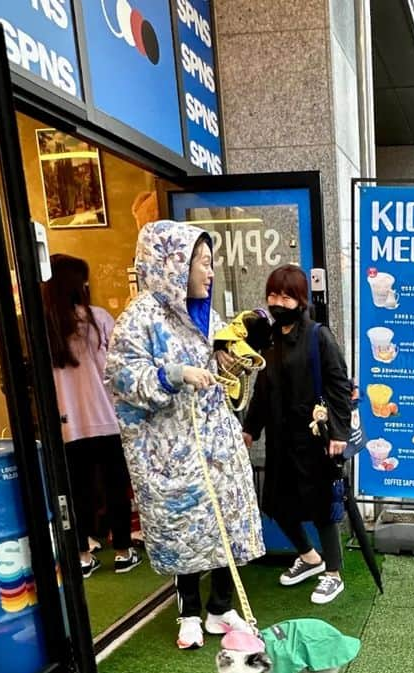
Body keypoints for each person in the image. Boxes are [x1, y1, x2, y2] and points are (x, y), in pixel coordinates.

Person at [106, 222, 264, 650]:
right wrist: (173, 375)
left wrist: (231, 365)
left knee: (225, 523)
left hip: (217, 443)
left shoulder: (206, 315)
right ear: (172, 264)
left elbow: (217, 363)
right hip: (172, 450)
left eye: (211, 264)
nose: (209, 273)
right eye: (202, 264)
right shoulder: (140, 318)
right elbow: (121, 377)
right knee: (184, 526)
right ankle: (189, 611)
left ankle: (221, 607)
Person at [245, 265, 352, 605]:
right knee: (275, 503)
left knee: (321, 507)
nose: (278, 302)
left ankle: (333, 573)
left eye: (286, 296)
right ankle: (308, 557)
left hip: (315, 438)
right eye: (273, 295)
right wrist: (250, 428)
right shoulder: (267, 338)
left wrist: (338, 432)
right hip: (280, 438)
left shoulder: (318, 335)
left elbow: (339, 386)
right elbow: (261, 389)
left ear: (301, 299)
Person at [42, 254, 139, 579]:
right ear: (78, 284)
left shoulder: (46, 329)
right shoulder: (100, 320)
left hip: (68, 427)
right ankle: (124, 551)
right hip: (109, 420)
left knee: (78, 492)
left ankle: (83, 554)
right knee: (116, 488)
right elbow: (120, 371)